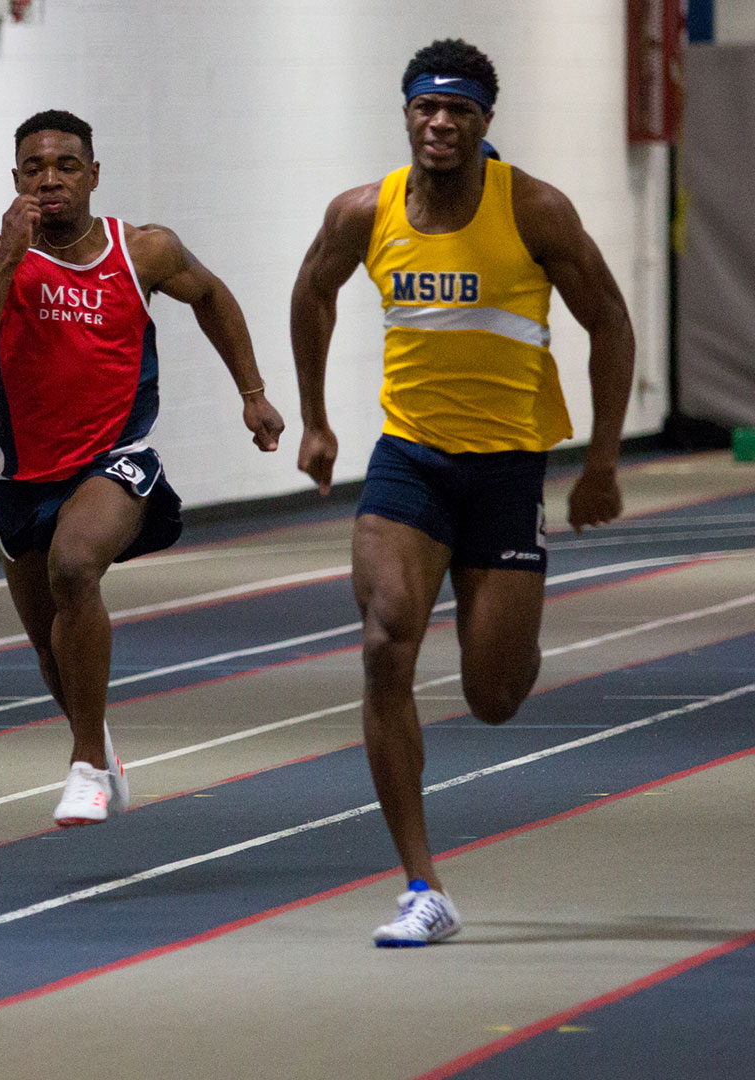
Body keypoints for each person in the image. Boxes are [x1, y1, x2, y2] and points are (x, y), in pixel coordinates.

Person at [289, 39, 633, 945]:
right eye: (426, 108)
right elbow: (311, 292)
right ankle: (421, 886)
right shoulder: (365, 212)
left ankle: (508, 634)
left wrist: (600, 461)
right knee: (382, 643)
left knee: (493, 695)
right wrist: (314, 417)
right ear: (406, 112)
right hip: (409, 460)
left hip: (508, 468)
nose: (440, 123)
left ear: (485, 123)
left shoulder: (536, 210)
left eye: (461, 111)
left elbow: (610, 322)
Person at [0, 110, 284, 831]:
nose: (51, 179)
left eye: (66, 165)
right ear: (14, 181)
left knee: (74, 568)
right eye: (34, 168)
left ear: (94, 175)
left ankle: (86, 762)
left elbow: (213, 297)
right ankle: (101, 754)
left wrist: (252, 394)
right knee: (50, 652)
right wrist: (8, 257)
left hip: (114, 458)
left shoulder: (144, 250)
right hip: (20, 478)